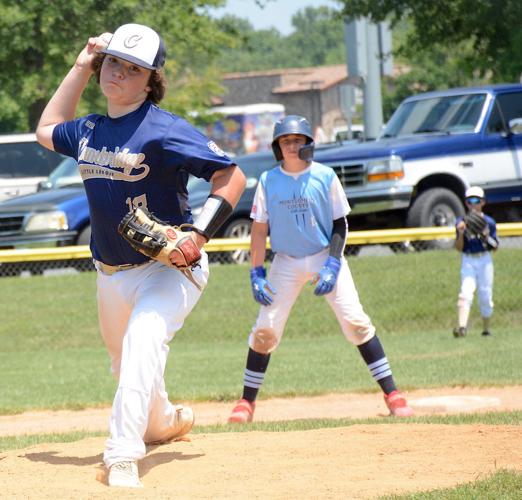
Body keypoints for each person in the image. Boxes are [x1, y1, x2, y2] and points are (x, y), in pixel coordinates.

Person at [36, 23, 246, 488]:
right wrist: (79, 64)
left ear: (150, 81)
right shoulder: (89, 129)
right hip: (110, 274)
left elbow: (231, 177)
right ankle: (162, 423)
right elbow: (47, 130)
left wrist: (198, 235)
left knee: (143, 344)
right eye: (113, 62)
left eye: (133, 69)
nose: (119, 73)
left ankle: (122, 456)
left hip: (168, 266)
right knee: (126, 364)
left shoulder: (163, 129)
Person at [227, 115, 413, 424]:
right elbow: (259, 230)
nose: (292, 146)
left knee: (355, 322)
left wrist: (333, 262)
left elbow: (340, 222)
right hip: (285, 261)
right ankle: (246, 402)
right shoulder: (269, 180)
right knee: (265, 330)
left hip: (324, 254)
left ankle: (392, 394)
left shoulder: (325, 176)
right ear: (277, 147)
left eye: (298, 140)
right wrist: (256, 273)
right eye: (286, 141)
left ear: (308, 144)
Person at [453, 186, 498, 338]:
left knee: (485, 295)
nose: (473, 204)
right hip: (468, 259)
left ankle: (486, 329)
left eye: (476, 200)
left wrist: (486, 236)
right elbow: (459, 248)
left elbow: (495, 247)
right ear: (466, 203)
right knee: (465, 292)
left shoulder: (489, 222)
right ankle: (462, 328)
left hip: (485, 260)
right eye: (469, 201)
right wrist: (460, 233)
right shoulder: (461, 223)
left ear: (483, 202)